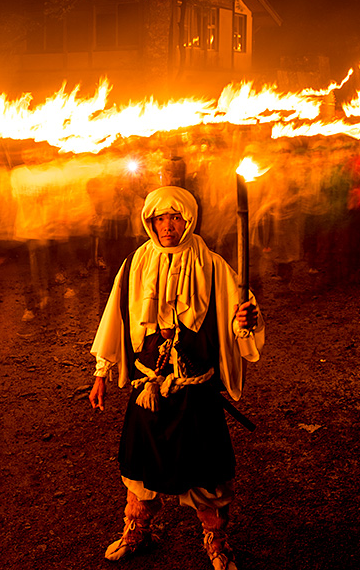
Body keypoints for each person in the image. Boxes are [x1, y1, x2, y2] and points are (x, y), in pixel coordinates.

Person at [88, 185, 264, 570]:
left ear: (189, 218)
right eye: (159, 218)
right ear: (149, 221)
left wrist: (245, 321)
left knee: (207, 475)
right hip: (147, 389)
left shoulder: (213, 266)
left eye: (175, 217)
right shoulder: (134, 264)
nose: (167, 226)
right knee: (140, 470)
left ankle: (217, 543)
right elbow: (114, 319)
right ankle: (137, 531)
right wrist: (102, 371)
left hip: (194, 393)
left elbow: (238, 323)